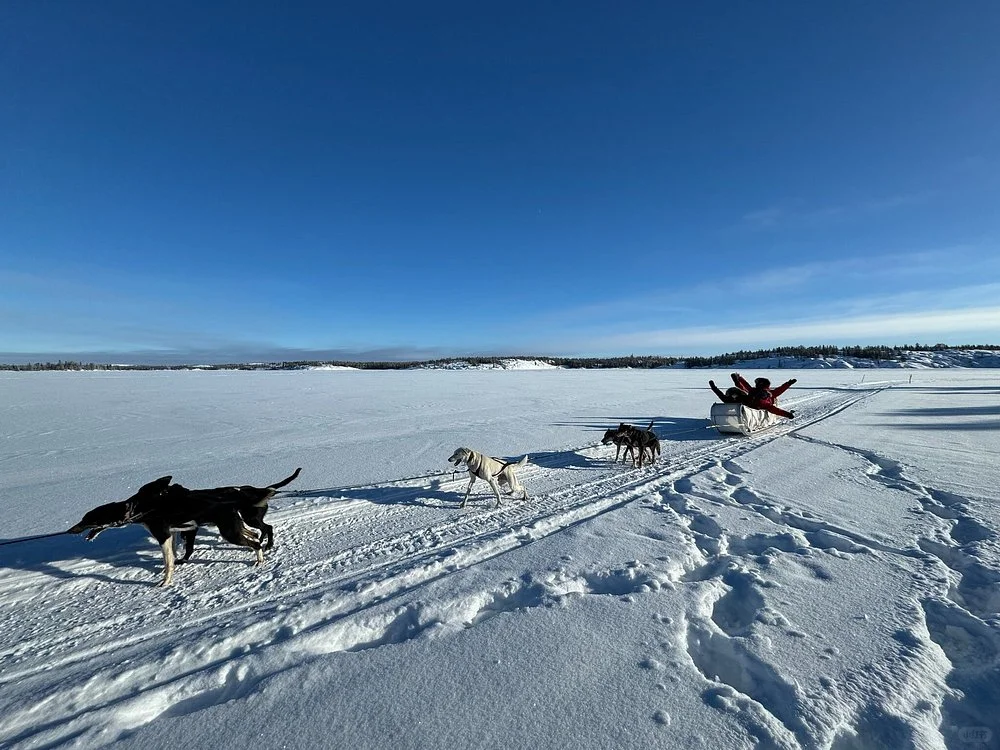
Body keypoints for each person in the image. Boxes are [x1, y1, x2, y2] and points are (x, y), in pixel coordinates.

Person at [730, 373, 797, 418]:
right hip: (754, 406)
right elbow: (780, 390)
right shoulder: (768, 394)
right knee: (743, 392)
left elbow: (746, 386)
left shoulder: (758, 392)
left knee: (744, 392)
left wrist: (739, 379)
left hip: (751, 406)